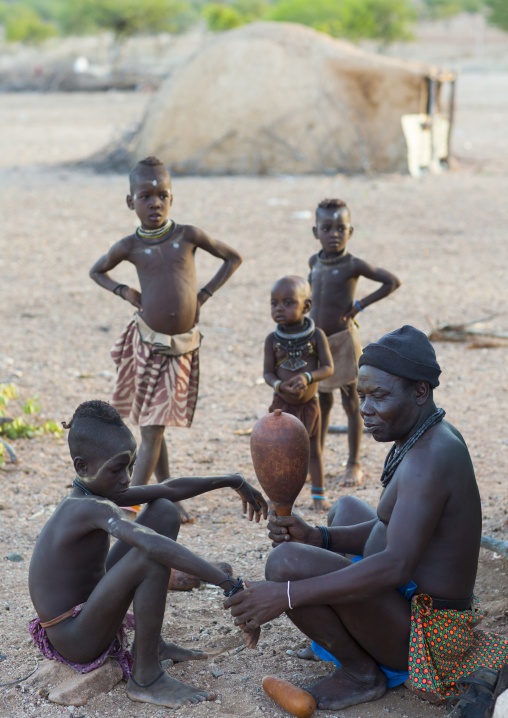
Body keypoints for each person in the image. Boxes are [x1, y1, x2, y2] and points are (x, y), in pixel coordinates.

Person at [225, 326, 508, 711]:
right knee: (345, 508)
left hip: (430, 637)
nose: (366, 409)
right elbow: (388, 528)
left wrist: (285, 595)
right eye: (361, 395)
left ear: (420, 392)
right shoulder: (426, 437)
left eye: (379, 396)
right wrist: (319, 537)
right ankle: (342, 636)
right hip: (408, 601)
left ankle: (361, 672)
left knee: (285, 563)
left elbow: (394, 566)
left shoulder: (429, 460)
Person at [29, 400, 267, 709]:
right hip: (75, 638)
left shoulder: (98, 491)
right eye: (117, 469)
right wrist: (228, 584)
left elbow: (168, 490)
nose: (127, 478)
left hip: (89, 612)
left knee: (164, 511)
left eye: (130, 466)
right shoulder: (86, 507)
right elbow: (150, 544)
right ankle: (146, 678)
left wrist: (232, 480)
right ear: (82, 466)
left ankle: (150, 645)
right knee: (149, 554)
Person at [89, 156, 242, 518]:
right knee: (153, 428)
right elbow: (97, 270)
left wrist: (203, 295)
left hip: (181, 346)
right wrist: (123, 290)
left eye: (162, 195)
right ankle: (135, 504)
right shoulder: (130, 246)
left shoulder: (187, 235)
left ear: (171, 198)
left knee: (153, 428)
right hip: (148, 343)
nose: (154, 202)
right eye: (145, 196)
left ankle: (140, 501)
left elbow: (232, 258)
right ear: (131, 202)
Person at [309, 198, 400, 487]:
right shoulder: (314, 262)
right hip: (320, 342)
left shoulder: (352, 264)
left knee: (351, 402)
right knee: (322, 401)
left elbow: (391, 281)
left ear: (351, 231)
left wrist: (360, 304)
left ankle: (354, 463)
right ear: (316, 232)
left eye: (341, 228)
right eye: (327, 227)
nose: (334, 233)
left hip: (345, 341)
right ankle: (317, 460)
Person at [264, 276, 333, 510]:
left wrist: (307, 377)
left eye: (288, 302)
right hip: (280, 404)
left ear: (306, 306)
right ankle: (277, 496)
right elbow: (267, 373)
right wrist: (279, 386)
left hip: (309, 404)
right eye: (274, 303)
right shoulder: (272, 340)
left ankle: (319, 496)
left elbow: (328, 368)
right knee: (277, 451)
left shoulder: (316, 336)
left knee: (313, 450)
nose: (279, 309)